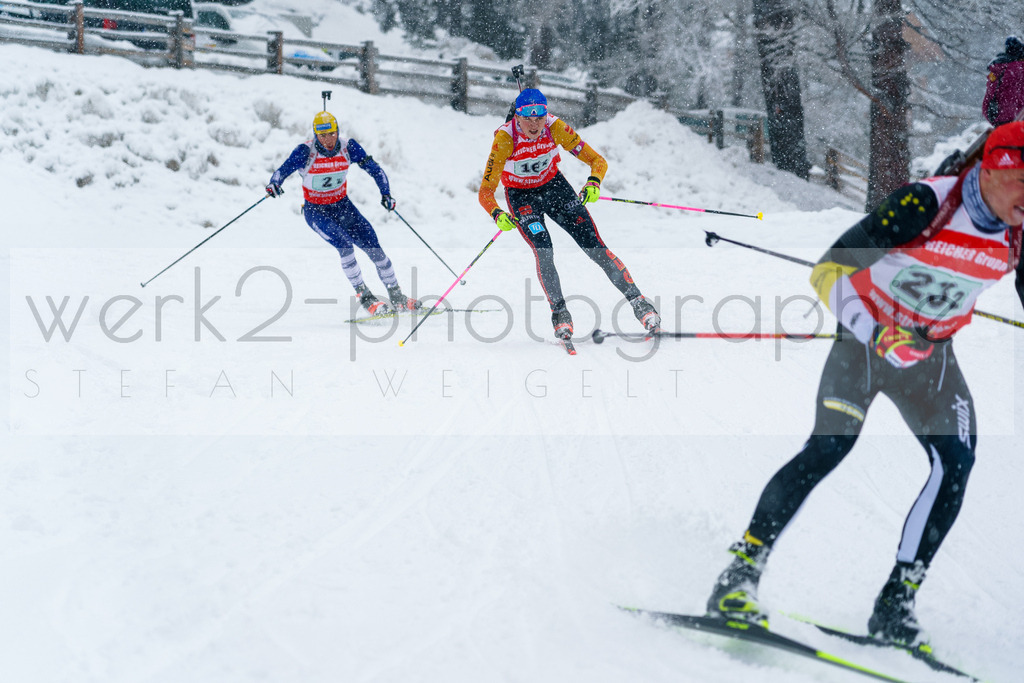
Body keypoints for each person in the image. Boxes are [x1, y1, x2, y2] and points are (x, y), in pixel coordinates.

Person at [705, 121, 1024, 650]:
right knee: (829, 447)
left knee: (957, 464)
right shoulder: (927, 204)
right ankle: (737, 577)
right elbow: (828, 271)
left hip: (931, 357)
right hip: (864, 345)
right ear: (995, 170)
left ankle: (895, 606)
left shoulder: (1018, 229)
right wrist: (877, 333)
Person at [477, 88, 660, 339]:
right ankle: (560, 313)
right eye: (527, 117)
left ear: (546, 114)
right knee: (544, 249)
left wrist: (594, 182)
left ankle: (639, 303)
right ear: (516, 117)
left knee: (594, 246)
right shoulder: (505, 139)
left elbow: (598, 161)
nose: (534, 123)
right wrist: (497, 213)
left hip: (555, 189)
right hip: (521, 198)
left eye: (539, 116)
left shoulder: (556, 128)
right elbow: (486, 191)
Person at [266, 109, 420, 315]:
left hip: (343, 207)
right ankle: (366, 298)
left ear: (338, 131)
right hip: (316, 211)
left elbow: (375, 169)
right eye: (322, 135)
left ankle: (397, 296)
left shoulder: (349, 147)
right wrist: (274, 184)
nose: (328, 139)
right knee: (345, 245)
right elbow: (281, 172)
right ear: (315, 135)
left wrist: (386, 194)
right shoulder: (305, 152)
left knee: (375, 249)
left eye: (332, 133)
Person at [983, 35, 1024, 126]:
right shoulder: (1021, 68)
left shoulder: (997, 69)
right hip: (1020, 121)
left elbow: (988, 101)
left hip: (1000, 122)